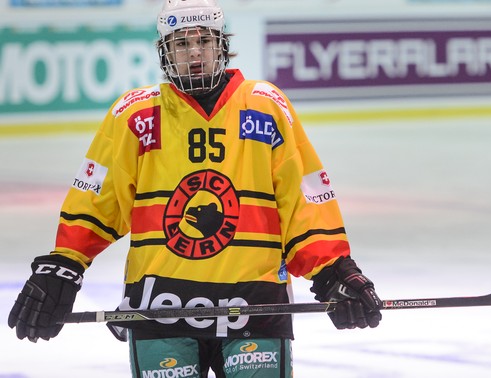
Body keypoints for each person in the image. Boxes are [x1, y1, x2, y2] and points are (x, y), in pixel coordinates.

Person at [8, 0, 382, 377]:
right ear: (164, 52)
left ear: (222, 45)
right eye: (180, 44)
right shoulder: (135, 115)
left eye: (203, 41)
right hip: (159, 308)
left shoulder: (265, 106)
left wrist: (334, 269)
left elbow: (303, 201)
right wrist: (63, 266)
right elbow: (96, 201)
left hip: (255, 304)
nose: (194, 52)